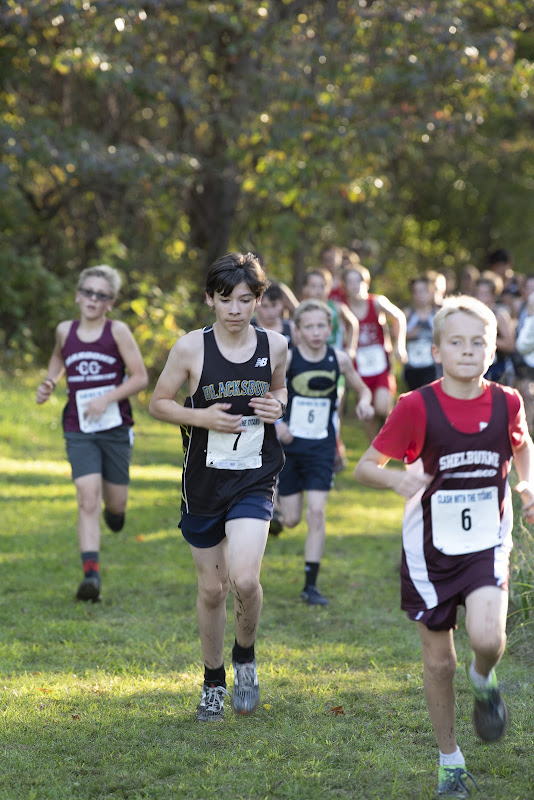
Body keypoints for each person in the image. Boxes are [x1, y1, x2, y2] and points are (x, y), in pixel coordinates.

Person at [353, 295, 534, 798]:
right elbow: (365, 467)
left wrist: (526, 485)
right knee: (439, 663)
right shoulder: (416, 407)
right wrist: (395, 484)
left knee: (488, 641)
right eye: (457, 342)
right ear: (436, 350)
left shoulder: (507, 401)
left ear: (493, 351)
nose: (468, 350)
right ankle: (449, 759)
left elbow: (522, 445)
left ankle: (484, 681)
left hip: (485, 545)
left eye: (479, 342)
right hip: (428, 552)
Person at [148, 252, 288, 722]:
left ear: (258, 301)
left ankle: (244, 656)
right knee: (212, 589)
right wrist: (201, 418)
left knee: (244, 578)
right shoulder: (191, 348)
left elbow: (281, 390)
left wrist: (277, 406)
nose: (234, 309)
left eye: (245, 299)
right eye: (225, 299)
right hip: (204, 481)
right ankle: (213, 679)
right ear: (210, 299)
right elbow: (158, 403)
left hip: (255, 474)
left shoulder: (277, 345)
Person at [36, 265, 148, 602]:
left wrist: (106, 398)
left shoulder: (118, 332)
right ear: (77, 295)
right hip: (78, 427)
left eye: (101, 295)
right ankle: (91, 577)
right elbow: (58, 358)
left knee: (115, 504)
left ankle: (115, 513)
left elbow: (140, 377)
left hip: (114, 427)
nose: (92, 300)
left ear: (110, 303)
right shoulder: (64, 330)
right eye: (88, 292)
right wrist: (49, 381)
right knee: (87, 497)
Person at [276, 299, 374, 606]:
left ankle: (310, 585)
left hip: (322, 445)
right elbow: (265, 391)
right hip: (291, 446)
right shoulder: (289, 359)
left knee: (316, 511)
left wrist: (365, 402)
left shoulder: (340, 359)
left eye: (322, 326)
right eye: (309, 327)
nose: (316, 332)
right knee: (291, 520)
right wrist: (278, 423)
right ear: (298, 330)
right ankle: (275, 508)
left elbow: (363, 388)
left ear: (330, 329)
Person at [343, 265, 407, 441]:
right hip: (358, 367)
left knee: (381, 407)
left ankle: (391, 435)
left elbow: (399, 317)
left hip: (380, 365)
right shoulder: (344, 308)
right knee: (368, 413)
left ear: (367, 283)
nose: (355, 285)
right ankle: (375, 450)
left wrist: (400, 345)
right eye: (350, 281)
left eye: (359, 281)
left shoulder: (377, 302)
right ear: (345, 286)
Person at [403, 275, 439, 391]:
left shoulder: (437, 314)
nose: (421, 295)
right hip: (412, 367)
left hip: (431, 366)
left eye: (424, 291)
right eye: (417, 291)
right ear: (413, 294)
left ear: (431, 292)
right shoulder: (408, 314)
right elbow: (396, 336)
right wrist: (409, 335)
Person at [253, 281, 296, 346]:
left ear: (282, 304)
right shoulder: (248, 327)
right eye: (265, 306)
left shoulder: (292, 328)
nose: (270, 311)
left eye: (274, 305)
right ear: (257, 305)